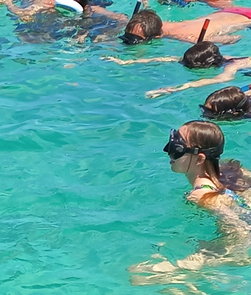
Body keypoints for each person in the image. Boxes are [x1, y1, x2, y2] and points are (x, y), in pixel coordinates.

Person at [129, 121, 251, 281]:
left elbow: (242, 233)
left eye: (176, 149)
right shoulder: (232, 170)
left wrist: (200, 260)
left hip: (235, 243)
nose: (167, 151)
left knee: (138, 276)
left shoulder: (201, 196)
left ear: (200, 159)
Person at [102, 41, 251, 98]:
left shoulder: (232, 66)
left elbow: (217, 79)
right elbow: (169, 58)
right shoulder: (220, 58)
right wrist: (127, 62)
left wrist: (173, 89)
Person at [121, 8, 251, 45]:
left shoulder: (186, 37)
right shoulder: (152, 23)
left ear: (157, 36)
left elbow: (234, 38)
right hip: (226, 12)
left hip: (246, 19)